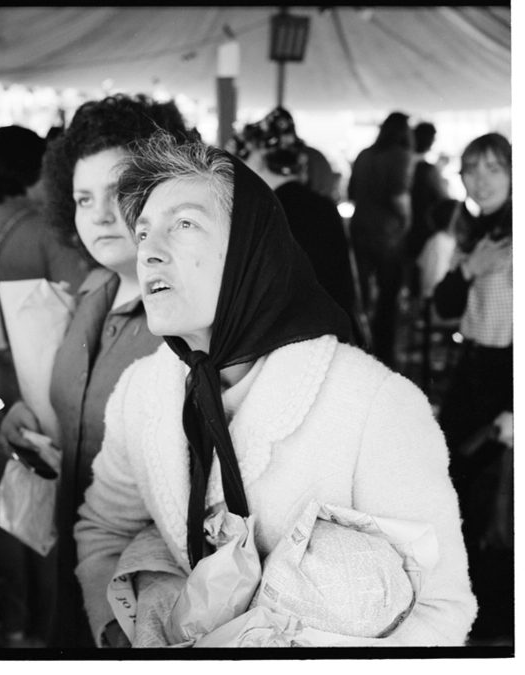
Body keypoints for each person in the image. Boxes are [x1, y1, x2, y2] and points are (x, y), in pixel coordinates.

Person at [75, 132, 477, 648]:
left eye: (183, 225)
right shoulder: (142, 390)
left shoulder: (376, 406)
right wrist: (119, 638)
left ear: (249, 252)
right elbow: (103, 529)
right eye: (145, 232)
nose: (148, 252)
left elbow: (441, 611)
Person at [0, 95, 192, 648]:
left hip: (143, 600)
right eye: (84, 198)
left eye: (120, 194)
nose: (100, 216)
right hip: (74, 569)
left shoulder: (189, 320)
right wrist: (26, 418)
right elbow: (68, 411)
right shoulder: (88, 295)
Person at [0, 124, 89, 647]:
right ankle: (49, 626)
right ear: (32, 170)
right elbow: (79, 303)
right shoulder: (43, 228)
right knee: (46, 498)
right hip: (38, 383)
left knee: (5, 500)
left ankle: (11, 621)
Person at [433, 133, 513, 643]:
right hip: (472, 369)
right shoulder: (474, 229)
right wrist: (468, 267)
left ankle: (493, 623)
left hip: (507, 375)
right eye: (470, 170)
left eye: (492, 169)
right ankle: (463, 607)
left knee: (491, 502)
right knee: (453, 483)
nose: (479, 180)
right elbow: (442, 304)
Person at [235, 115, 361, 346]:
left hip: (288, 341)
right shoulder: (322, 206)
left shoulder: (265, 211)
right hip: (330, 334)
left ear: (262, 155)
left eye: (245, 154)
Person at [348, 111, 415, 368]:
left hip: (360, 228)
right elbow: (399, 196)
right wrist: (407, 222)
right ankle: (385, 357)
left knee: (361, 296)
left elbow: (352, 192)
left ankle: (362, 350)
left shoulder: (365, 154)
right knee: (388, 299)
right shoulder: (401, 155)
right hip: (388, 235)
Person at [407, 122, 449, 299]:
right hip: (422, 228)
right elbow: (443, 200)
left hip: (407, 229)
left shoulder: (405, 165)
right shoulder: (427, 170)